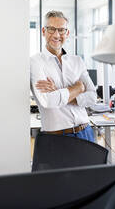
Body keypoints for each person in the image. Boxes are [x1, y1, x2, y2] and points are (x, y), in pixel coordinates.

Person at [30, 10, 97, 142]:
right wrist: (77, 88)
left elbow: (92, 97)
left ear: (67, 33)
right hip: (56, 137)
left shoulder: (77, 61)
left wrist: (59, 93)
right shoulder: (35, 62)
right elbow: (48, 101)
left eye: (61, 30)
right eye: (51, 29)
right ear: (43, 31)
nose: (56, 35)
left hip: (86, 132)